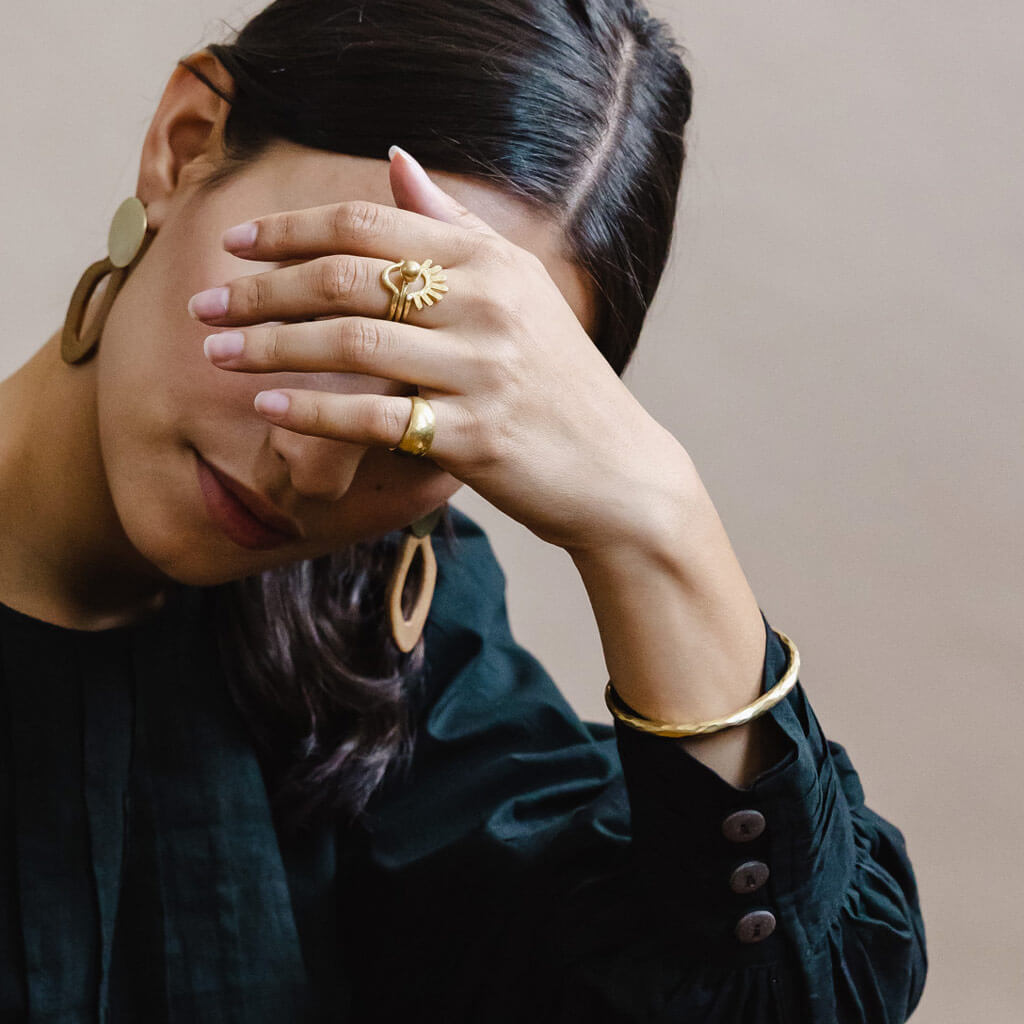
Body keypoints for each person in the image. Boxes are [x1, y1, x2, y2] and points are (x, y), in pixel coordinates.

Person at [0, 0, 926, 1020]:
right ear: (184, 149)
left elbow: (773, 991)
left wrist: (656, 522)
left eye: (417, 407)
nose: (312, 465)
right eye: (320, 315)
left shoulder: (381, 638)